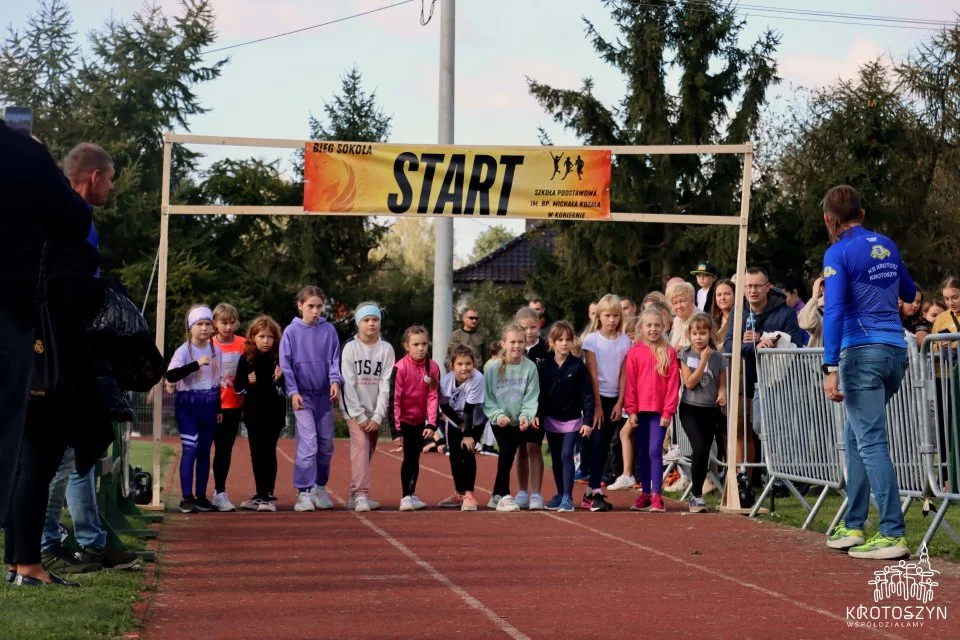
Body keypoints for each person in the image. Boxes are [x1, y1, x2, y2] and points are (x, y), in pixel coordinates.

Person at [0, 124, 92, 544]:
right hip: (18, 324)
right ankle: (29, 554)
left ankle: (29, 555)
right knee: (27, 451)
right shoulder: (23, 153)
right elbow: (73, 223)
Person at [819, 185, 915, 560]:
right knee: (856, 434)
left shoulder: (838, 251)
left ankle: (891, 532)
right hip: (895, 351)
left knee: (871, 441)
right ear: (863, 212)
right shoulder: (887, 244)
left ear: (829, 219)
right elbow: (909, 290)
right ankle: (854, 525)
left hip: (861, 354)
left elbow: (835, 310)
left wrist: (829, 366)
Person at [724, 266, 805, 479]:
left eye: (757, 286)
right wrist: (755, 348)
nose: (752, 291)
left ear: (768, 287)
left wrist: (764, 338)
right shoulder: (738, 311)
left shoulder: (785, 312)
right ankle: (759, 475)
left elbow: (797, 344)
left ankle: (784, 475)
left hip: (777, 381)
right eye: (748, 286)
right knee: (754, 428)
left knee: (777, 428)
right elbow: (729, 344)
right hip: (745, 380)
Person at [280, 287, 342, 513]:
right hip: (303, 397)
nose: (315, 311)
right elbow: (286, 365)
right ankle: (303, 493)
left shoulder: (329, 330)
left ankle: (320, 487)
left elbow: (335, 359)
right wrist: (293, 392)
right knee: (308, 444)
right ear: (300, 306)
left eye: (319, 306)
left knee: (326, 445)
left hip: (324, 397)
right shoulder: (290, 332)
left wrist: (335, 381)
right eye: (310, 306)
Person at [166, 306, 224, 513]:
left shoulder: (216, 350)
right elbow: (171, 376)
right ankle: (186, 497)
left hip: (209, 406)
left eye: (208, 324)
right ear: (191, 327)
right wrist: (195, 365)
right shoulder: (183, 351)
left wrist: (218, 408)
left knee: (204, 452)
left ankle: (201, 496)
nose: (204, 328)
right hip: (187, 407)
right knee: (190, 449)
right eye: (199, 324)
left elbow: (217, 381)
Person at [339, 302, 394, 513]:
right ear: (358, 323)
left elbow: (385, 384)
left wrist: (378, 415)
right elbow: (348, 384)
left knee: (367, 450)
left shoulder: (386, 349)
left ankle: (354, 494)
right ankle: (362, 494)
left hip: (375, 410)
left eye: (375, 319)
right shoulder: (350, 347)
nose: (371, 324)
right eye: (366, 320)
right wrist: (359, 416)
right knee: (361, 447)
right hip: (355, 410)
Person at [624, 308, 680, 513]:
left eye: (657, 325)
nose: (653, 329)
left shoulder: (669, 352)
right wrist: (631, 410)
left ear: (663, 327)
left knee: (655, 450)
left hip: (659, 412)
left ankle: (657, 495)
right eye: (649, 325)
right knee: (643, 453)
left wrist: (668, 412)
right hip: (639, 411)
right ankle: (645, 493)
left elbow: (673, 384)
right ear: (641, 328)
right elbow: (630, 383)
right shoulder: (634, 352)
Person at [536, 322, 594, 513]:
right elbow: (540, 395)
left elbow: (587, 395)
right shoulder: (544, 367)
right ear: (552, 342)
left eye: (568, 340)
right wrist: (538, 416)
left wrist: (587, 421)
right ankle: (560, 494)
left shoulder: (578, 366)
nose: (564, 343)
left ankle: (568, 497)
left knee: (566, 454)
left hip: (572, 420)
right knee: (556, 459)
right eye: (560, 340)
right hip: (551, 420)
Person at [580, 294, 631, 512]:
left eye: (615, 316)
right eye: (607, 315)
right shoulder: (592, 340)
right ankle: (595, 490)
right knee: (598, 443)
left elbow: (623, 373)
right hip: (595, 398)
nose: (612, 320)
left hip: (614, 398)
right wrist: (598, 406)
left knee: (606, 444)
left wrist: (620, 402)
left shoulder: (625, 341)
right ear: (599, 317)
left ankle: (591, 493)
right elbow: (592, 373)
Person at [483, 323, 540, 512]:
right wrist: (498, 415)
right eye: (513, 342)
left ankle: (495, 494)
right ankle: (505, 495)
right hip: (499, 419)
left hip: (519, 420)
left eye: (520, 342)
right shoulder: (492, 368)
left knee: (509, 454)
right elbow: (488, 397)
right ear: (504, 343)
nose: (517, 346)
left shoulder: (530, 368)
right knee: (507, 451)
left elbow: (532, 397)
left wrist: (526, 416)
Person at [233, 316, 286, 512]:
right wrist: (248, 382)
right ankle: (259, 493)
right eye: (261, 336)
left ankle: (268, 495)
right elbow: (237, 386)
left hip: (274, 413)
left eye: (270, 337)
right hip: (253, 413)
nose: (265, 341)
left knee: (269, 451)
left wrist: (281, 379)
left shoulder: (278, 359)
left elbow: (288, 389)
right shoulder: (246, 358)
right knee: (256, 452)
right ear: (253, 337)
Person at [678, 313, 727, 513]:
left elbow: (721, 384)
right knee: (698, 447)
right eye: (695, 333)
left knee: (705, 451)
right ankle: (696, 494)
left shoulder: (718, 358)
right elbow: (689, 383)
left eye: (703, 333)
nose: (699, 337)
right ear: (689, 335)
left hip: (710, 409)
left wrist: (722, 395)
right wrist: (702, 361)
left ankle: (711, 490)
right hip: (690, 408)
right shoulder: (685, 354)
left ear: (710, 334)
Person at [389, 326, 440, 512]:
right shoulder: (400, 368)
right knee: (410, 457)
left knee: (415, 457)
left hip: (420, 421)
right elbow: (393, 400)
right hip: (404, 419)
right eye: (416, 344)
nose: (421, 348)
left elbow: (433, 396)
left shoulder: (432, 367)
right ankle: (406, 496)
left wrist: (431, 423)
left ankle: (411, 493)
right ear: (406, 346)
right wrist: (396, 430)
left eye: (424, 344)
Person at [437, 345, 486, 511]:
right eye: (460, 364)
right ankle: (459, 493)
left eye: (468, 363)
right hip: (455, 420)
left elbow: (469, 410)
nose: (464, 368)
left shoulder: (477, 378)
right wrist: (459, 424)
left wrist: (468, 434)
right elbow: (445, 407)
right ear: (452, 366)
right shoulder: (445, 381)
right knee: (455, 456)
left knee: (468, 452)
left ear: (474, 364)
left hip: (475, 419)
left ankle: (469, 495)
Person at [513, 307, 549, 509]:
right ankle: (521, 492)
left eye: (533, 327)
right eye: (524, 328)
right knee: (521, 449)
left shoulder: (547, 349)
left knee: (534, 448)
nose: (528, 332)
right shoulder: (512, 350)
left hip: (539, 407)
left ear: (539, 326)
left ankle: (536, 493)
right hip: (516, 408)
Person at [211, 303, 245, 512]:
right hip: (210, 404)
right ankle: (195, 494)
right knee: (202, 449)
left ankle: (219, 492)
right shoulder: (207, 344)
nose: (228, 327)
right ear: (215, 323)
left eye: (232, 323)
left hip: (233, 405)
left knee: (224, 450)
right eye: (224, 323)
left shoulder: (243, 344)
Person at [666, 281, 697, 349]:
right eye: (674, 303)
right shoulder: (677, 319)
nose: (678, 306)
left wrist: (683, 349)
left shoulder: (700, 320)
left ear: (692, 301)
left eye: (682, 301)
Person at [799, 275, 826, 347]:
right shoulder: (816, 307)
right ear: (822, 288)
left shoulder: (849, 306)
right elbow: (807, 325)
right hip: (820, 356)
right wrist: (814, 297)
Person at [711, 279, 735, 347]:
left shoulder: (742, 319)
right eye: (719, 295)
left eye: (727, 294)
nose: (722, 298)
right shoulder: (712, 321)